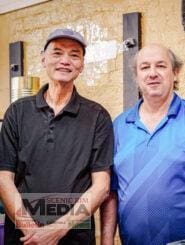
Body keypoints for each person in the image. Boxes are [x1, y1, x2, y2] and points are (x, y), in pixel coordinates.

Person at [101, 44, 185, 245]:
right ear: (136, 76)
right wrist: (106, 241)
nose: (152, 73)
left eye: (161, 66)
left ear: (175, 72)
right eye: (145, 67)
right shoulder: (120, 125)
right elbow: (111, 191)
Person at [0, 28, 114, 244]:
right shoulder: (17, 112)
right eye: (57, 53)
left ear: (81, 65)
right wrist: (32, 232)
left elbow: (102, 186)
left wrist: (57, 230)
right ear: (43, 59)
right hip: (24, 237)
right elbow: (4, 178)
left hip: (75, 236)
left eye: (74, 55)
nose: (65, 61)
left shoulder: (98, 116)